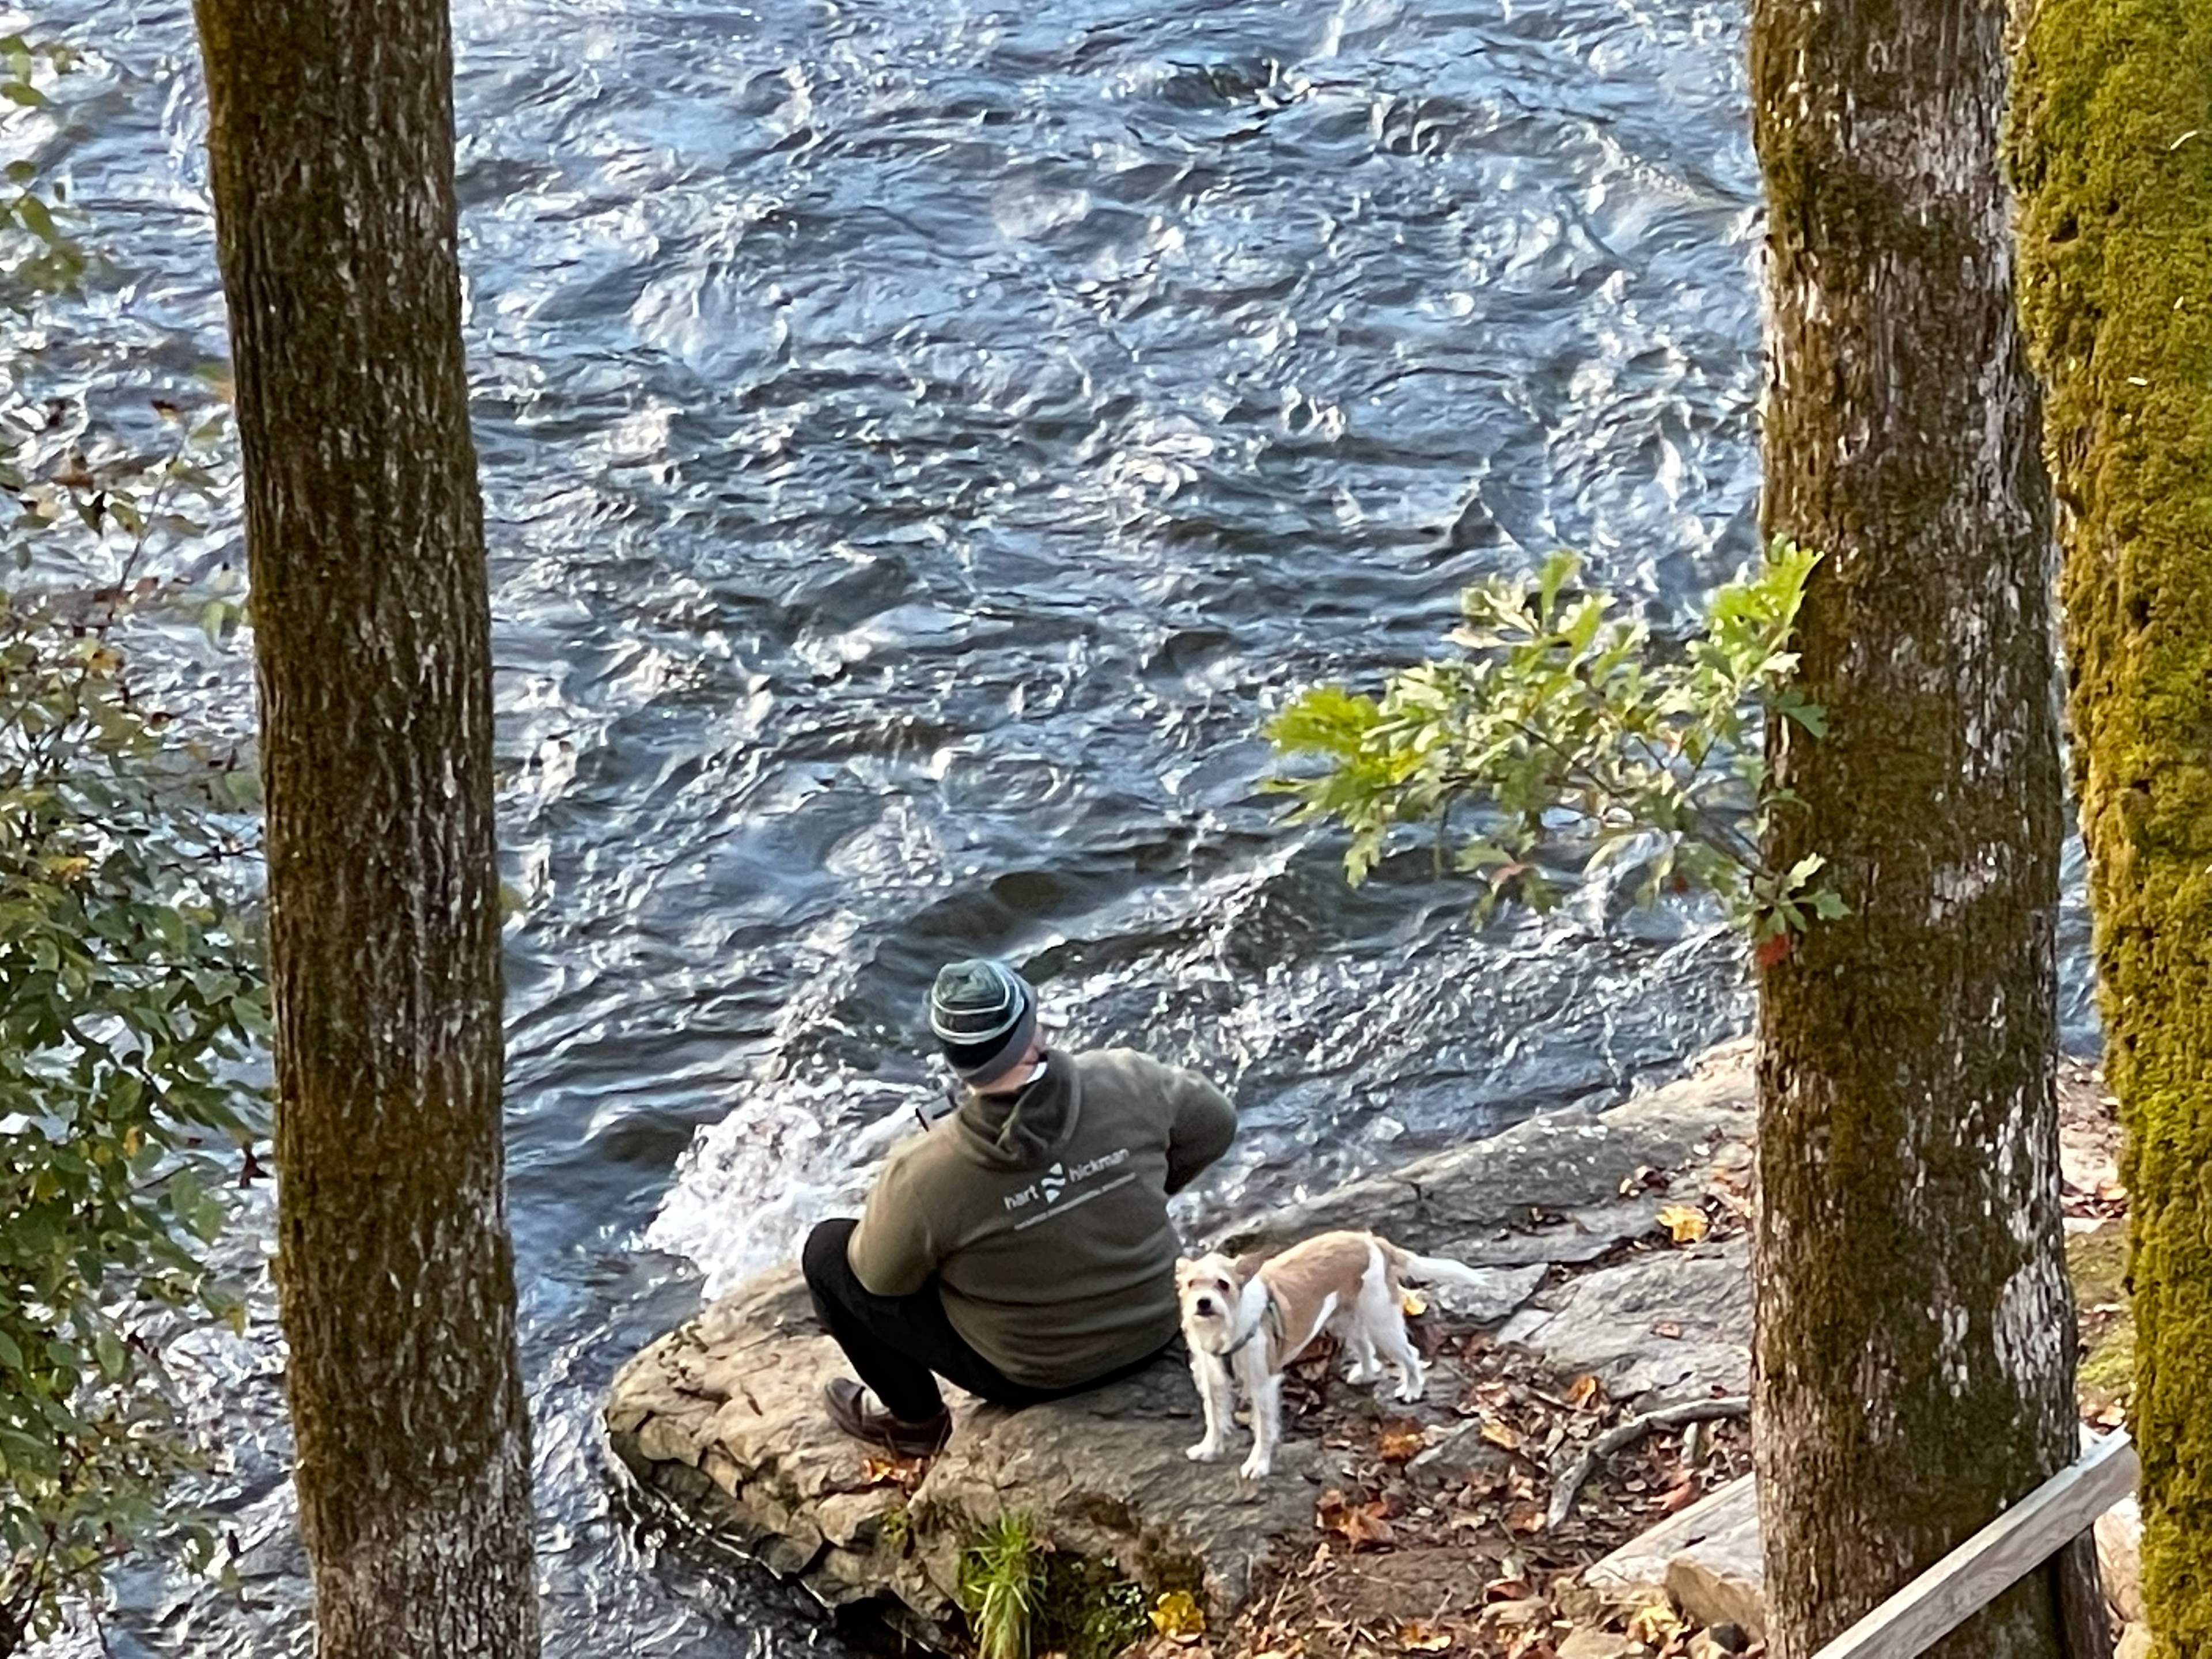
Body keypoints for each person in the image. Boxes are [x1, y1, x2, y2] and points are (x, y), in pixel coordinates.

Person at [802, 957, 1237, 1455]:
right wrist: (1120, 1189)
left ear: (954, 1056)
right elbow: (1216, 1124)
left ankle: (918, 1422)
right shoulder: (1129, 1077)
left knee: (829, 1251)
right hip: (1162, 1324)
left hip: (1037, 1375)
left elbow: (880, 1282)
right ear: (1032, 1028)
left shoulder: (924, 1171)